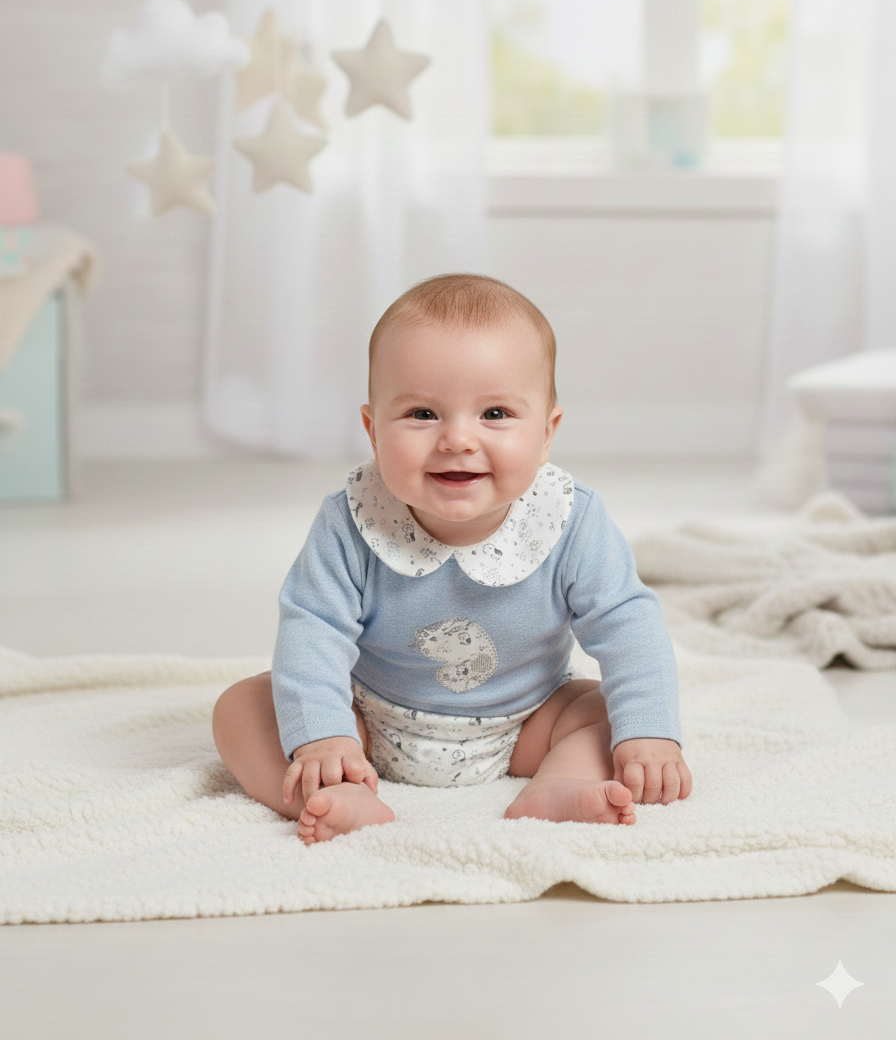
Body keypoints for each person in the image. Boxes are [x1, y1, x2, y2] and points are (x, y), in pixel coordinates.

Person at [213, 274, 692, 844]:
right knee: (242, 707)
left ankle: (556, 785)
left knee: (605, 709)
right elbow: (311, 628)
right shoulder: (349, 519)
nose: (458, 439)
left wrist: (651, 734)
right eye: (421, 414)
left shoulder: (571, 519)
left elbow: (628, 624)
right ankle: (336, 790)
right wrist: (324, 736)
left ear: (546, 433)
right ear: (372, 430)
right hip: (366, 720)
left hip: (526, 722)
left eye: (494, 414)